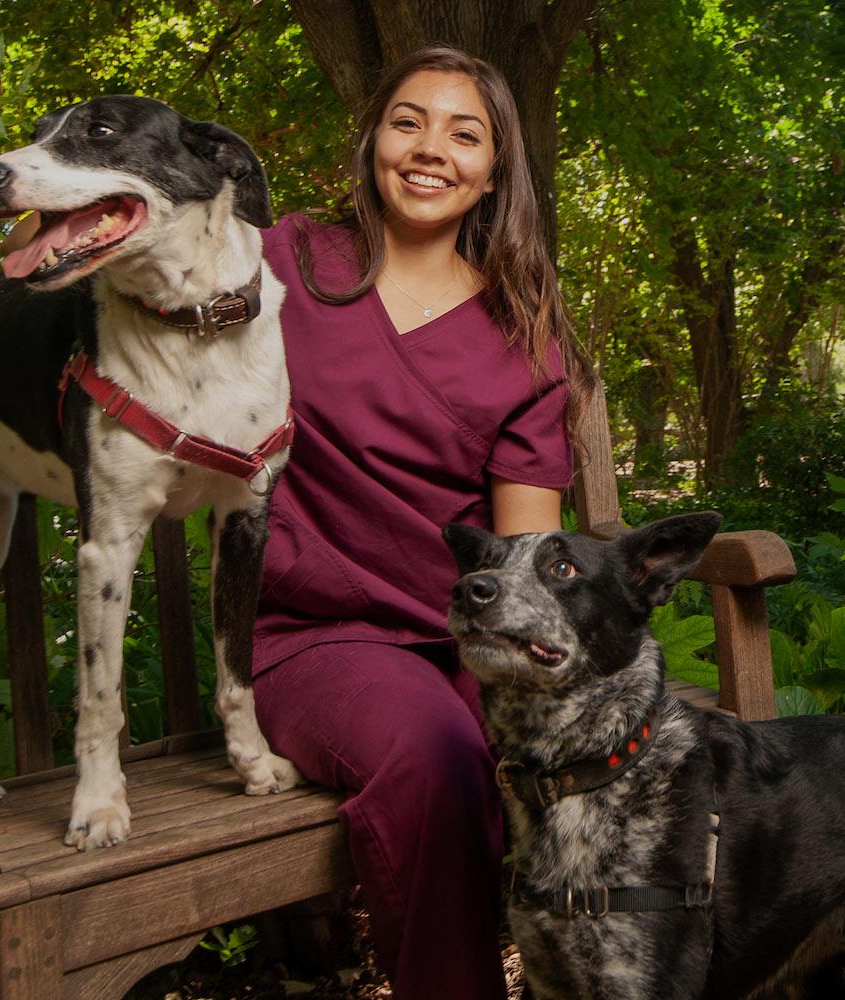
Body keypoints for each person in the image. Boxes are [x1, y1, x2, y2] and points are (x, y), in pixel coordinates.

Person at [252, 45, 591, 1000]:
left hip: (466, 645)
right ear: (372, 142)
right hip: (319, 638)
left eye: (464, 131)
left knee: (628, 756)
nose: (430, 147)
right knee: (438, 761)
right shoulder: (288, 261)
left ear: (494, 169)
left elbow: (524, 566)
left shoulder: (524, 337)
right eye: (408, 121)